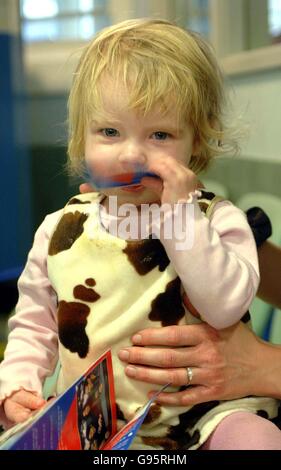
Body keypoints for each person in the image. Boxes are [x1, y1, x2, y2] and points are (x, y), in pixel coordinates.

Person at [0, 18, 281, 450]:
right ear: (82, 137)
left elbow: (223, 309)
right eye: (110, 132)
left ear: (197, 142)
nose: (132, 153)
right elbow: (33, 323)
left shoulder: (216, 220)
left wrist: (179, 218)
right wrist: (16, 385)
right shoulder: (59, 229)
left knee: (258, 439)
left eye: (160, 134)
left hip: (206, 415)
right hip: (98, 422)